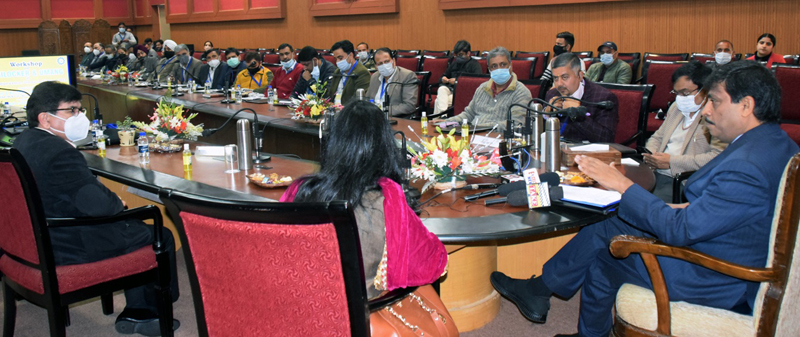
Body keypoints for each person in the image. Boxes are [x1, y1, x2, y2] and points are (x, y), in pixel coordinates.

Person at [490, 61, 799, 337]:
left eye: (715, 102)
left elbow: (681, 231)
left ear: (746, 105)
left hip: (713, 275)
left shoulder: (748, 166)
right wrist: (657, 203)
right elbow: (727, 211)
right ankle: (540, 290)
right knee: (613, 220)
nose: (706, 110)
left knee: (606, 257)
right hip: (724, 241)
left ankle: (560, 307)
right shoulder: (775, 144)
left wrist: (622, 185)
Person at [12, 81, 181, 336]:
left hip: (33, 240)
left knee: (130, 226)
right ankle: (146, 314)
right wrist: (116, 202)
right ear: (46, 119)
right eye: (72, 111)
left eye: (80, 110)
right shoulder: (59, 152)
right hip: (69, 244)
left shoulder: (23, 142)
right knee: (159, 232)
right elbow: (99, 206)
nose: (81, 117)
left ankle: (140, 309)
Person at [280, 100, 448, 300]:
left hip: (306, 304)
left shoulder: (299, 190)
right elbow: (433, 262)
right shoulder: (386, 198)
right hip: (360, 313)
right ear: (384, 145)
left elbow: (279, 252)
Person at [644, 61, 726, 202]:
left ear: (705, 90)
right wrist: (651, 155)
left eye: (685, 93)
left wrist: (672, 162)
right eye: (677, 93)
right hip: (655, 171)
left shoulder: (715, 115)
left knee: (646, 208)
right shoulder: (676, 107)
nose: (681, 98)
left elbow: (717, 158)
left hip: (684, 180)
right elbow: (658, 136)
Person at [435, 47, 532, 131]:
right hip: (474, 136)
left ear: (511, 66)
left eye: (503, 64)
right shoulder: (482, 88)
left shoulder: (521, 93)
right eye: (494, 66)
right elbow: (468, 114)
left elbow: (516, 124)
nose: (499, 69)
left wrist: (479, 127)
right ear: (489, 69)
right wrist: (446, 122)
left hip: (499, 142)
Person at [544, 53, 619, 143]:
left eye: (565, 77)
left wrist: (577, 114)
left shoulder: (604, 98)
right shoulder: (552, 94)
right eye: (555, 78)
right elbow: (538, 134)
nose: (559, 84)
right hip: (556, 151)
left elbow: (606, 138)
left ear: (580, 75)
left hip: (588, 154)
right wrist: (546, 113)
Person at [432, 40, 482, 115]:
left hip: (463, 93)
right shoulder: (454, 63)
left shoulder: (475, 65)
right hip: (450, 90)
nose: (458, 57)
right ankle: (443, 117)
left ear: (468, 53)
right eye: (456, 55)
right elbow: (442, 77)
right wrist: (443, 79)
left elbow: (477, 83)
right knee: (442, 89)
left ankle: (440, 118)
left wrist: (457, 82)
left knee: (438, 101)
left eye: (461, 54)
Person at [365, 48, 418, 117]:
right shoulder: (374, 77)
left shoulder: (407, 76)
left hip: (394, 118)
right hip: (373, 117)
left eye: (387, 61)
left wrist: (383, 110)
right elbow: (367, 99)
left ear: (393, 61)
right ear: (376, 66)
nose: (384, 65)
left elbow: (409, 106)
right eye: (380, 63)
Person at [327, 40, 370, 105]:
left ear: (350, 55)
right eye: (336, 59)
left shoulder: (362, 72)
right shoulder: (337, 71)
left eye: (340, 58)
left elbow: (358, 101)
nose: (337, 62)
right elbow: (330, 95)